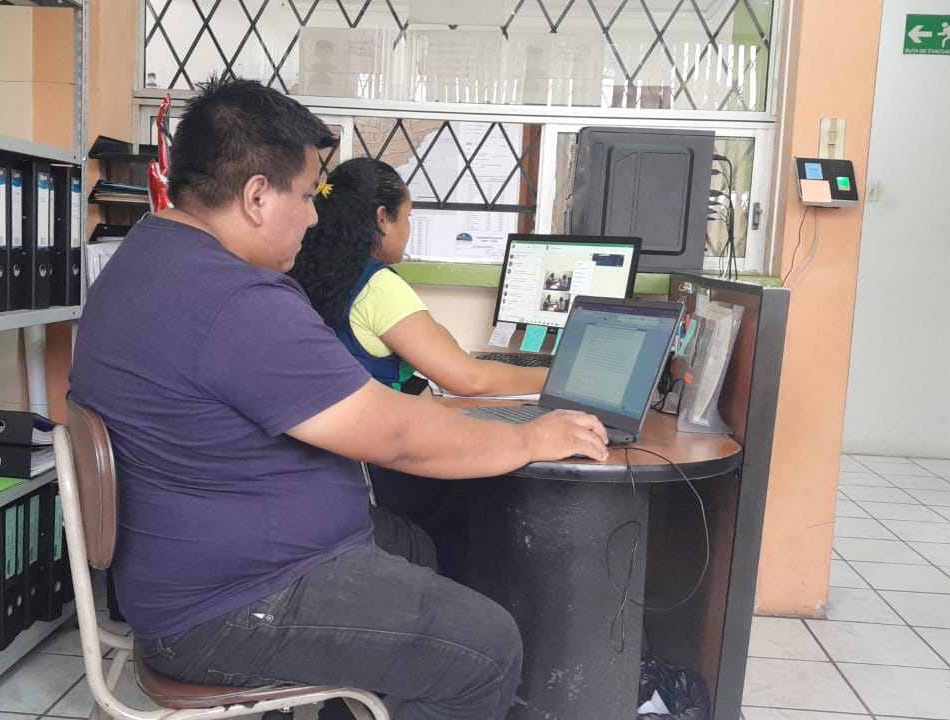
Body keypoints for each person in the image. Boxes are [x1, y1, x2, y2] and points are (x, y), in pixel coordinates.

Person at [68, 76, 609, 720]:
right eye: (306, 194)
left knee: (416, 546)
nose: (314, 215)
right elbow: (396, 436)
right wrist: (531, 436)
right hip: (232, 603)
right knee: (486, 647)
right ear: (257, 196)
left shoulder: (147, 256)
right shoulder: (234, 297)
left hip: (195, 570)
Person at [288, 157, 547, 398]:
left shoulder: (309, 270)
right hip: (375, 426)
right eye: (407, 216)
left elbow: (442, 345)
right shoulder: (377, 287)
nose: (408, 226)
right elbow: (470, 379)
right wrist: (554, 378)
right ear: (382, 218)